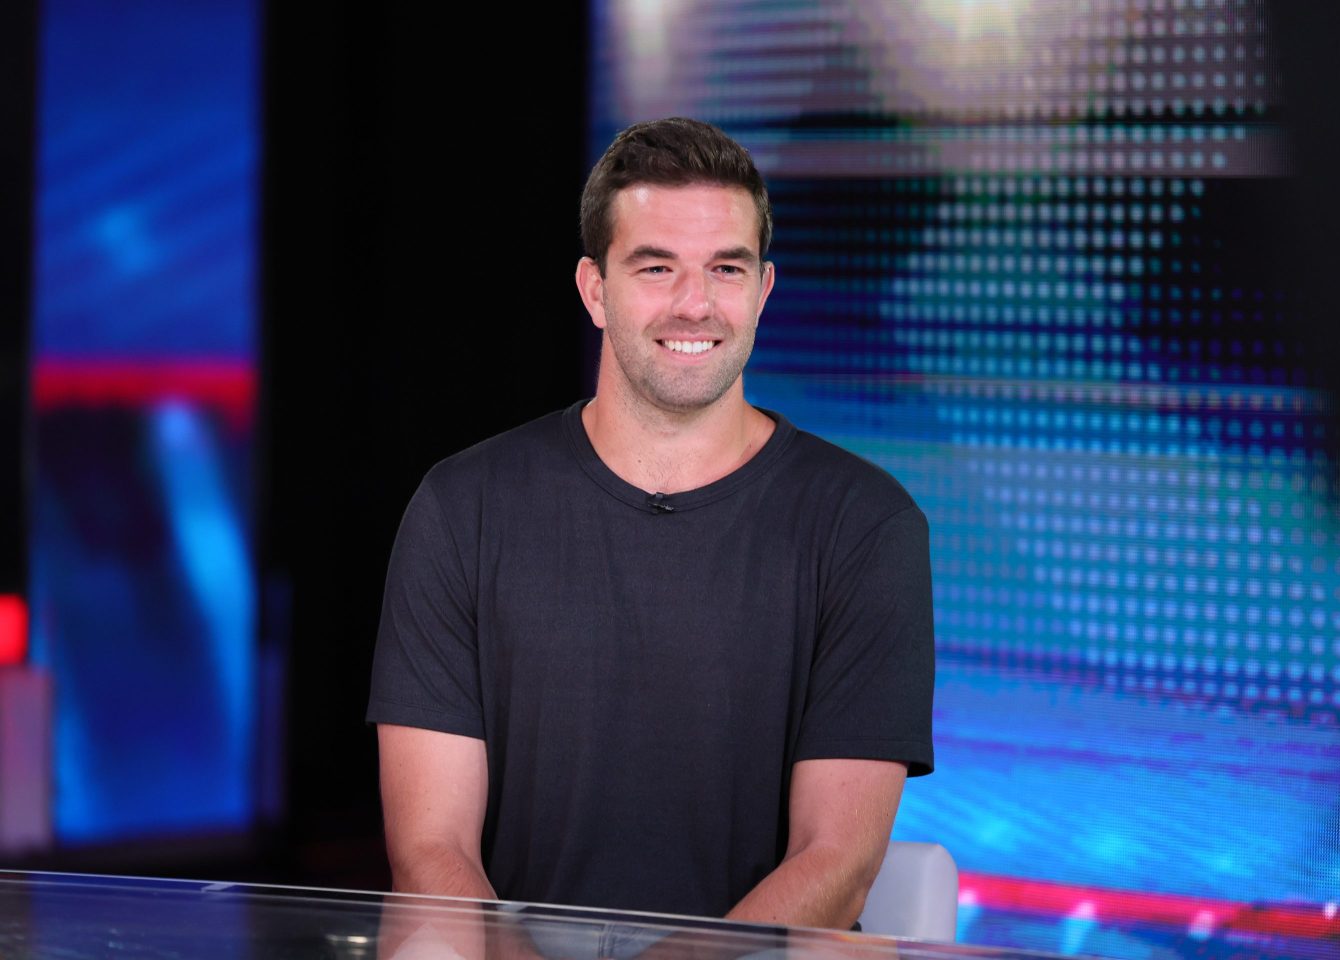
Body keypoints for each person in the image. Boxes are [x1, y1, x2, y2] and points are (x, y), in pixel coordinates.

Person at [367, 117, 935, 932]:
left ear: (764, 290)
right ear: (595, 290)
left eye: (725, 268)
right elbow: (431, 852)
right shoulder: (463, 509)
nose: (695, 303)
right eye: (657, 266)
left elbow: (834, 863)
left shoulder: (866, 526)